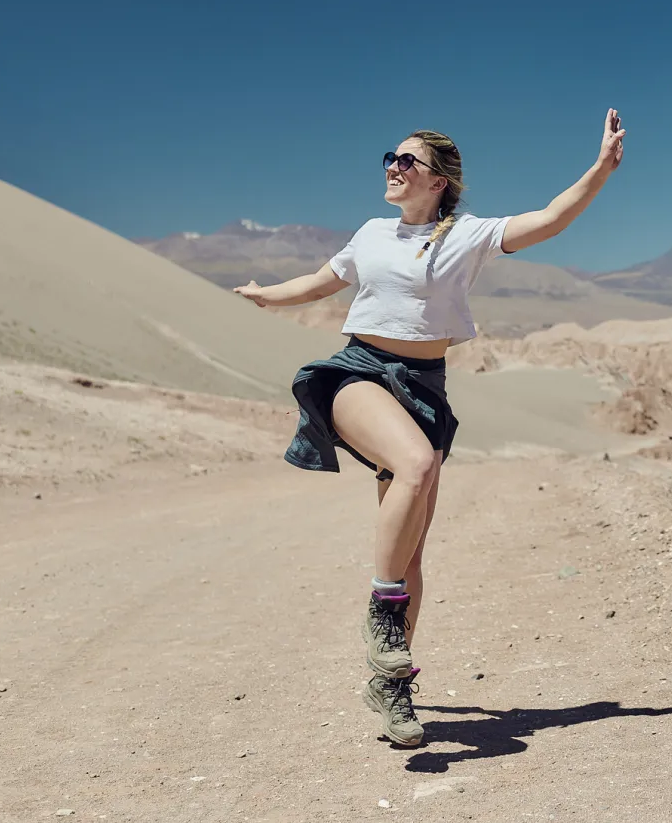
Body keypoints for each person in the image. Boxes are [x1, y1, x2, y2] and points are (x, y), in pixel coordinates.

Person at [232, 109, 626, 747]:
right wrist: (266, 293)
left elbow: (550, 218)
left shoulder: (467, 235)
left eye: (406, 161)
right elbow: (322, 283)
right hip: (357, 371)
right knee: (415, 465)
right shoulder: (370, 233)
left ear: (439, 179)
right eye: (389, 158)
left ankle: (391, 688)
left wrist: (601, 169)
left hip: (424, 387)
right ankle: (382, 615)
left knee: (413, 550)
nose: (392, 167)